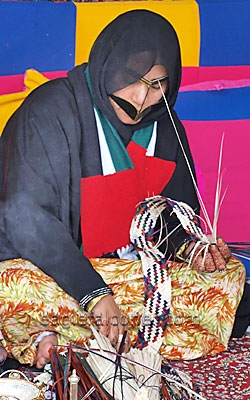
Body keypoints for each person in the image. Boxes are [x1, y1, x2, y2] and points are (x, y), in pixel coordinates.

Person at [0, 10, 247, 371]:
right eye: (131, 78)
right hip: (53, 273)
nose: (141, 97)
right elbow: (24, 217)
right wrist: (93, 293)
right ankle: (57, 332)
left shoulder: (165, 125)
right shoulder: (50, 109)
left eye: (157, 83)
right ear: (106, 64)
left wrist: (192, 248)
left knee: (227, 279)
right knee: (11, 286)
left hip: (126, 277)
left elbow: (173, 215)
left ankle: (58, 336)